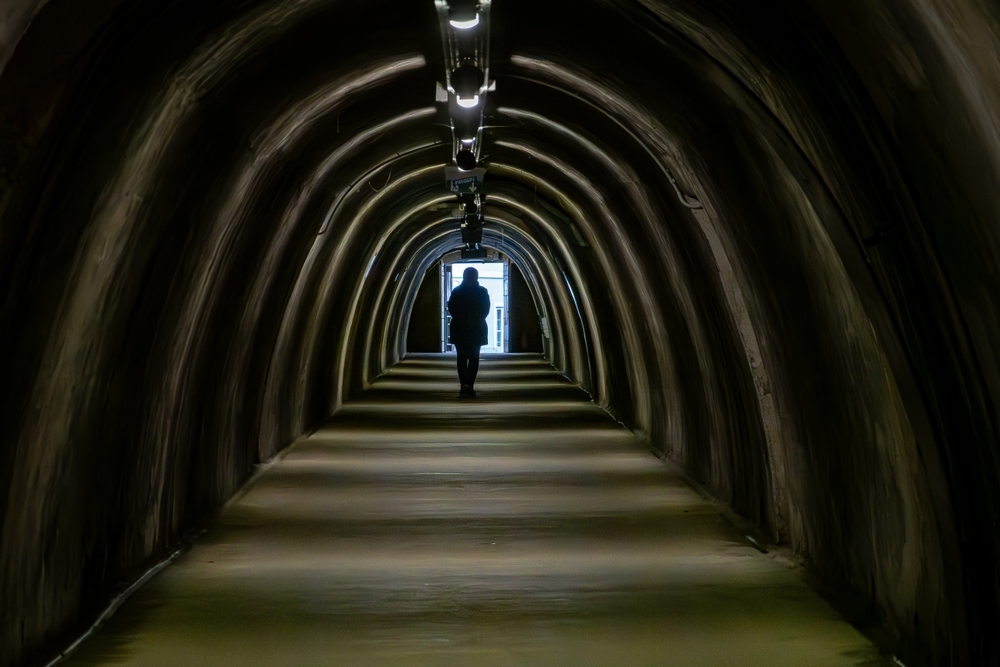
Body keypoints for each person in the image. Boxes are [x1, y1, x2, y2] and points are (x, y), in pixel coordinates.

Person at [448, 266, 491, 397]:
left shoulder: (457, 291)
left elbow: (451, 308)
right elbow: (486, 309)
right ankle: (469, 385)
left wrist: (462, 319)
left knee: (462, 357)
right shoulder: (482, 292)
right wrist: (476, 319)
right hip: (476, 328)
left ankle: (464, 385)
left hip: (460, 328)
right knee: (473, 358)